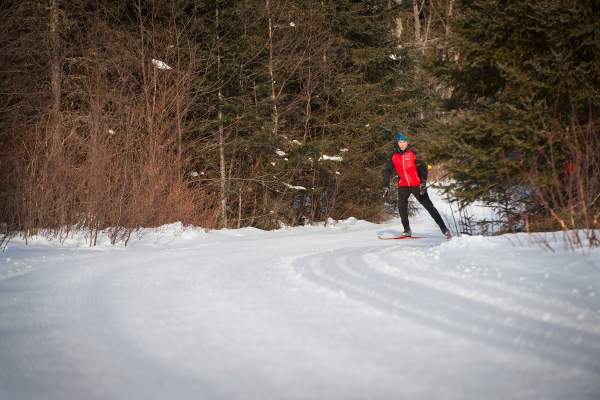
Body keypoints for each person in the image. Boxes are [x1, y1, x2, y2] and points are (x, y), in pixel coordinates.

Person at [383, 132, 452, 239]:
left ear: (407, 142)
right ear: (397, 143)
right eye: (400, 142)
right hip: (403, 185)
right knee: (401, 207)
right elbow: (387, 170)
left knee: (429, 206)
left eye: (404, 142)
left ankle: (444, 229)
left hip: (417, 185)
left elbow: (423, 169)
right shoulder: (393, 156)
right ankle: (407, 230)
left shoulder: (414, 153)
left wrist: (423, 183)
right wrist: (386, 185)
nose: (402, 144)